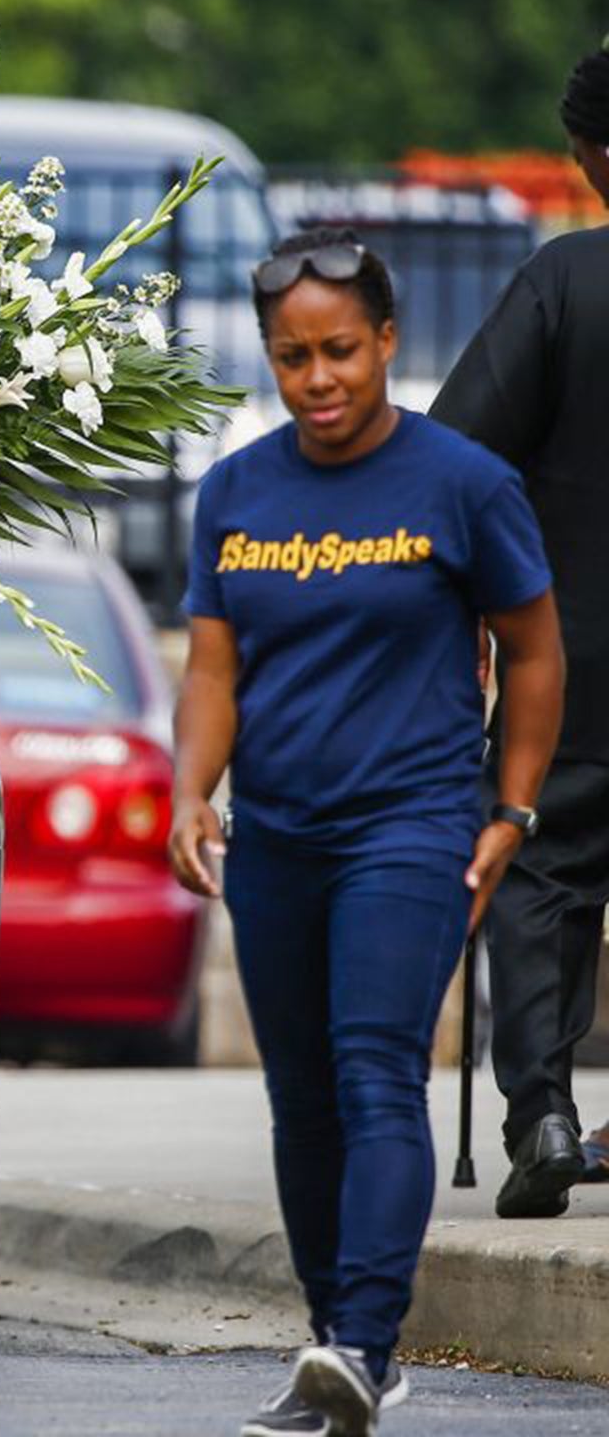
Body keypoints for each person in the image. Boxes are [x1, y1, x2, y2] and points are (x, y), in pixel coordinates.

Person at [169, 230, 562, 1436]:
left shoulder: (460, 483)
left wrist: (510, 809)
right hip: (275, 833)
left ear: (385, 342)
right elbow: (212, 667)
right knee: (302, 1099)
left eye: (339, 351)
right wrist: (191, 791)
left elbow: (537, 653)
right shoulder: (234, 490)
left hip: (414, 825)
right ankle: (334, 1337)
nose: (317, 379)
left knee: (372, 1069)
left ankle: (360, 1338)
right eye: (291, 358)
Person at [428, 48, 609, 1219]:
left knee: (540, 871)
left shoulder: (561, 283)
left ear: (594, 156)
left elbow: (455, 464)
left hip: (573, 660)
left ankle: (541, 1115)